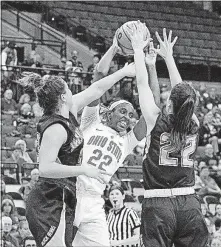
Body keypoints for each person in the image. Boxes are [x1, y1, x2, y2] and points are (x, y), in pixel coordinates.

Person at [18, 58, 136, 247]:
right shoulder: (55, 128)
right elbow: (45, 168)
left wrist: (123, 72)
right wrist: (83, 169)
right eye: (68, 88)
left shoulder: (70, 110)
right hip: (47, 200)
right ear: (63, 97)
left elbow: (96, 89)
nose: (73, 91)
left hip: (64, 196)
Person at [72, 25, 156, 247]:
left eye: (131, 115)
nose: (128, 118)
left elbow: (152, 110)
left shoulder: (127, 141)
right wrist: (114, 48)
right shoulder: (91, 121)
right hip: (70, 191)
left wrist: (150, 66)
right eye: (123, 111)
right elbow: (98, 77)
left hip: (94, 202)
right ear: (108, 113)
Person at [130, 26, 209, 246]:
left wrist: (137, 50)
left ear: (170, 103)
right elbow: (183, 92)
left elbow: (141, 83)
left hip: (159, 204)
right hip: (189, 204)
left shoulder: (155, 119)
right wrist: (169, 58)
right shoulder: (193, 122)